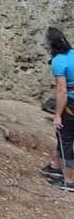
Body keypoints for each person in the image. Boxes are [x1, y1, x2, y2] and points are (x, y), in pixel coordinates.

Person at [47, 27, 74, 190]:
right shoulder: (72, 53)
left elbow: (62, 90)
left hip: (71, 102)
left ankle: (70, 179)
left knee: (65, 137)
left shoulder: (58, 61)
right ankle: (55, 165)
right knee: (62, 133)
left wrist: (57, 114)